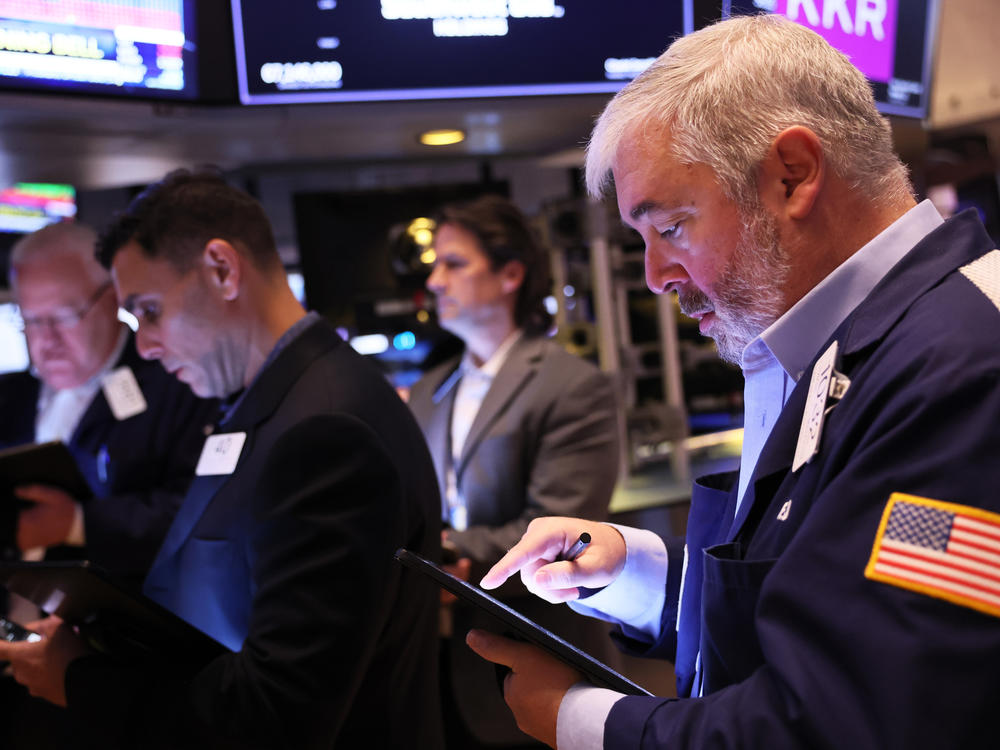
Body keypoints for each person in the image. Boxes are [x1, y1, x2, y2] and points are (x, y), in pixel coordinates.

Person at [465, 14, 1000, 749]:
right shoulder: (840, 340)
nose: (654, 276)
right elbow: (834, 596)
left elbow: (852, 719)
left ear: (793, 175)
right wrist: (635, 571)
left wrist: (579, 721)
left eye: (673, 227)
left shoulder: (963, 361)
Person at [0, 169, 444, 749]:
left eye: (150, 310)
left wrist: (83, 677)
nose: (145, 346)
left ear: (221, 269)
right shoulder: (277, 400)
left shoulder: (324, 429)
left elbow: (275, 713)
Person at [407, 194, 620, 748]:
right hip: (436, 665)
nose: (434, 281)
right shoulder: (429, 392)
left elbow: (560, 528)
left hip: (539, 655)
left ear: (510, 274)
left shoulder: (572, 385)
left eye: (453, 264)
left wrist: (442, 549)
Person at [0, 221, 216, 581]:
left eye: (64, 316)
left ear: (113, 297)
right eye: (32, 320)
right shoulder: (8, 396)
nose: (46, 340)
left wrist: (79, 523)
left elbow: (202, 509)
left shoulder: (180, 380)